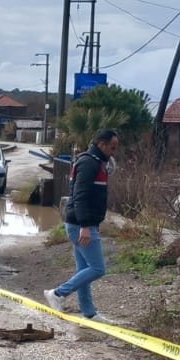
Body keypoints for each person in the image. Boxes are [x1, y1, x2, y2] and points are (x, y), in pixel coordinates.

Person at [45, 127, 120, 321]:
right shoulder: (88, 163)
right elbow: (80, 196)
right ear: (101, 145)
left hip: (82, 224)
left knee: (83, 269)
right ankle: (58, 294)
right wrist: (86, 226)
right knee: (97, 268)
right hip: (81, 225)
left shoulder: (96, 162)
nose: (114, 152)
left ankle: (89, 312)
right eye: (111, 148)